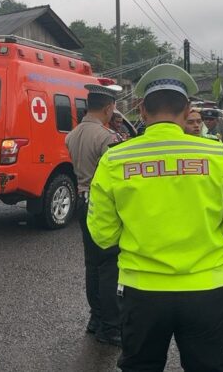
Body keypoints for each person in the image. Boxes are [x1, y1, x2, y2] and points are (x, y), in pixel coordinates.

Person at [88, 64, 223, 371]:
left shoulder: (116, 159)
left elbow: (103, 234)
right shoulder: (218, 156)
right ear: (187, 110)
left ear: (142, 110)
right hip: (206, 291)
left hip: (142, 293)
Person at [64, 83, 123, 346]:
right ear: (109, 108)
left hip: (81, 200)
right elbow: (116, 176)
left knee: (92, 264)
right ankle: (110, 327)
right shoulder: (107, 137)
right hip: (101, 204)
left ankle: (96, 318)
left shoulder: (72, 134)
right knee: (109, 265)